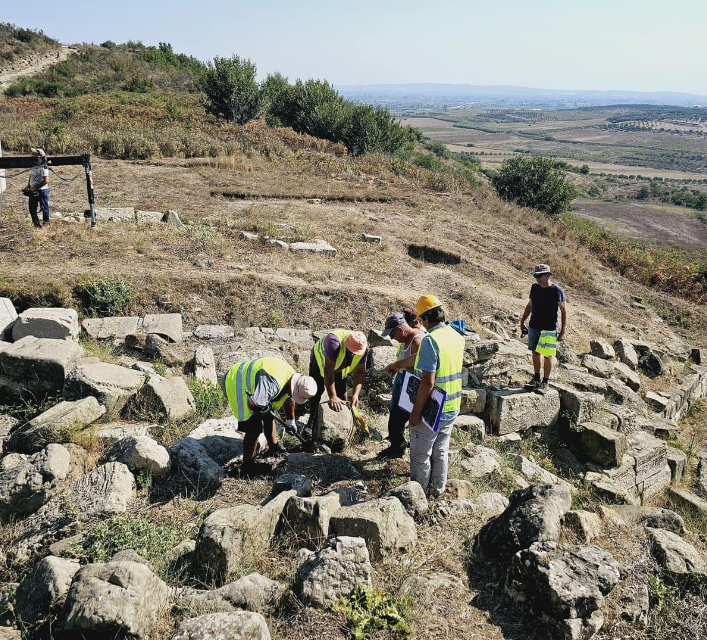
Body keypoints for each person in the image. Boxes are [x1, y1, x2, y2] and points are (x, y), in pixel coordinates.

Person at [220, 356, 317, 474]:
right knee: (254, 427)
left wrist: (290, 421)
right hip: (236, 382)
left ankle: (274, 448)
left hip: (255, 386)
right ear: (294, 387)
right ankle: (247, 465)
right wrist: (264, 409)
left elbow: (289, 400)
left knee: (268, 415)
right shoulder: (272, 383)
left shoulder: (292, 380)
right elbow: (252, 403)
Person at [408, 295, 464, 496]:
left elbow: (428, 382)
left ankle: (418, 495)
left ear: (424, 318)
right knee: (441, 450)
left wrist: (416, 412)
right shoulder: (456, 335)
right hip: (452, 404)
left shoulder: (430, 341)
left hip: (433, 408)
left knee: (421, 453)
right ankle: (437, 491)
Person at [377, 312, 425, 459]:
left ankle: (398, 449)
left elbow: (420, 368)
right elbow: (407, 363)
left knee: (397, 419)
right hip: (402, 379)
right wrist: (397, 368)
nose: (393, 339)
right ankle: (396, 444)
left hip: (411, 386)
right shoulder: (405, 339)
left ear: (400, 330)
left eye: (392, 335)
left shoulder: (417, 341)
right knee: (394, 415)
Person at [520, 263, 567, 394]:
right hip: (534, 325)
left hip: (549, 329)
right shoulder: (534, 287)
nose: (537, 278)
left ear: (548, 275)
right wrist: (523, 320)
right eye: (536, 276)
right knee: (535, 352)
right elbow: (530, 305)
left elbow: (564, 312)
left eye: (540, 276)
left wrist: (562, 331)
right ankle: (536, 379)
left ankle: (545, 382)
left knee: (547, 355)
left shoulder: (557, 291)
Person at [308, 330, 368, 431]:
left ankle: (346, 425)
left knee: (341, 393)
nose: (353, 355)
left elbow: (360, 372)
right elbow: (328, 371)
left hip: (340, 365)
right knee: (316, 391)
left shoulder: (362, 347)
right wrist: (332, 396)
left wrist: (355, 394)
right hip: (319, 361)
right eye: (351, 352)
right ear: (346, 345)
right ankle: (312, 421)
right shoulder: (334, 342)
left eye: (355, 353)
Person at [26, 148, 50, 228]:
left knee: (44, 207)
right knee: (32, 208)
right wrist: (28, 185)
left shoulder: (43, 166)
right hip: (33, 189)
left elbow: (46, 180)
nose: (32, 156)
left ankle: (46, 223)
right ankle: (36, 224)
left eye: (34, 154)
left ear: (39, 156)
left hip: (42, 190)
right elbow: (31, 175)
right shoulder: (34, 165)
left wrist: (36, 187)